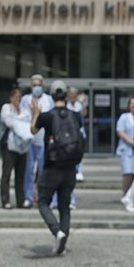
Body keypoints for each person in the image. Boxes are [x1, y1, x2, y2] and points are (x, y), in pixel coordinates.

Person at [30, 80, 83, 256]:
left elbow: (33, 131)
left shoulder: (47, 116)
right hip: (70, 167)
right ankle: (63, 243)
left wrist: (35, 114)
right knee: (64, 206)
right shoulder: (76, 116)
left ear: (52, 96)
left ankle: (57, 231)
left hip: (52, 166)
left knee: (43, 201)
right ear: (66, 95)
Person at [20, 74, 54, 208]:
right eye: (34, 85)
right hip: (29, 140)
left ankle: (45, 197)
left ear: (43, 86)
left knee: (44, 172)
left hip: (43, 141)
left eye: (39, 85)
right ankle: (28, 197)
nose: (36, 88)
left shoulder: (48, 100)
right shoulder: (25, 100)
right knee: (28, 171)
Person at [0, 87, 31, 209]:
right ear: (11, 98)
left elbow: (28, 122)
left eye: (20, 97)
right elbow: (9, 122)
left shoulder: (24, 110)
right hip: (9, 145)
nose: (18, 99)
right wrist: (20, 123)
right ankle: (5, 200)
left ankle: (21, 200)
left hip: (22, 145)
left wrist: (19, 122)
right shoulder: (6, 108)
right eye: (16, 97)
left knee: (20, 174)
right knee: (7, 173)